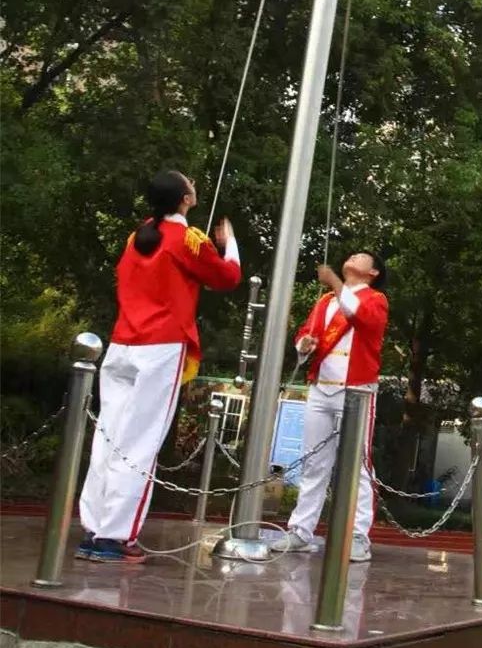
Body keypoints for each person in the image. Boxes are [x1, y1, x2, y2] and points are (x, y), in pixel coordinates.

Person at [77, 170, 241, 562]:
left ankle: (93, 528)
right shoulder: (187, 238)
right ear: (185, 199)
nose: (197, 189)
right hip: (161, 346)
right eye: (192, 186)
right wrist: (230, 243)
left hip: (121, 343)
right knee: (141, 441)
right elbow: (228, 276)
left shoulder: (138, 236)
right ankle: (114, 538)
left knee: (109, 439)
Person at [273, 252, 388, 562]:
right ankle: (300, 530)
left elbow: (361, 317)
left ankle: (358, 536)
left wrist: (336, 282)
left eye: (362, 257)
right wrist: (304, 345)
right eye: (351, 254)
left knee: (359, 466)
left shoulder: (376, 299)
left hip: (356, 391)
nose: (353, 257)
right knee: (314, 463)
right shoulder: (326, 301)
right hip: (321, 389)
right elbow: (304, 334)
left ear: (373, 272)